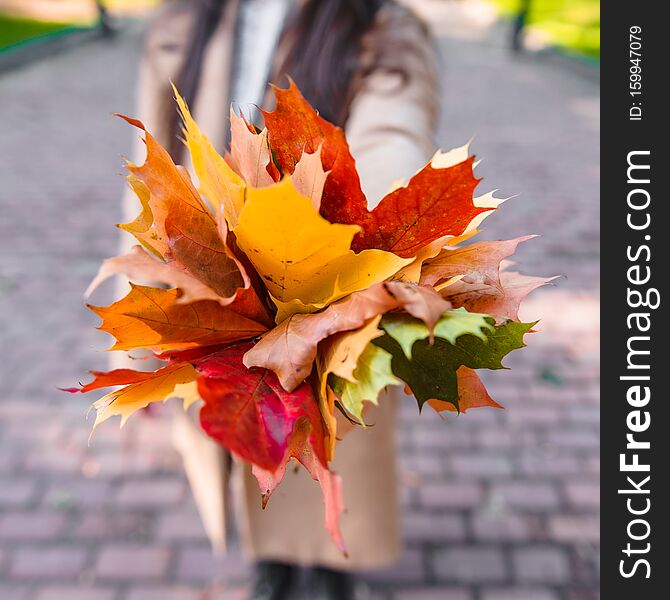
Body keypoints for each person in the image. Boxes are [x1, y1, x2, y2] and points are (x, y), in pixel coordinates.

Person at [118, 0, 439, 598]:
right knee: (245, 449)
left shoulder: (377, 27)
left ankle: (326, 571)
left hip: (324, 292)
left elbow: (392, 134)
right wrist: (138, 309)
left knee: (324, 462)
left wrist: (366, 244)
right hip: (211, 297)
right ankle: (272, 565)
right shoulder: (184, 24)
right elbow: (150, 170)